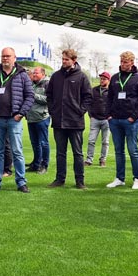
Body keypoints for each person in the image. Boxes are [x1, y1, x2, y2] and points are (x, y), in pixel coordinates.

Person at [0, 47, 34, 193]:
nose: (5, 58)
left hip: (14, 120)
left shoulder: (22, 75)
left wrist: (21, 113)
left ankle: (21, 182)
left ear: (14, 58)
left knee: (17, 151)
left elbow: (30, 96)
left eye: (8, 56)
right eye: (3, 56)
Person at [46, 49, 92, 189]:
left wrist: (80, 111)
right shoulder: (56, 76)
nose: (64, 61)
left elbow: (88, 97)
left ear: (74, 60)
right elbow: (49, 95)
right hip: (59, 121)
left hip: (75, 122)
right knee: (60, 153)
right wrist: (53, 110)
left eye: (67, 59)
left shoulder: (82, 77)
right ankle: (60, 179)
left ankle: (80, 181)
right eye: (63, 59)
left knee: (77, 153)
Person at [106, 51, 138, 190]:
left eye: (126, 62)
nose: (123, 64)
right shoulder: (114, 78)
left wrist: (134, 116)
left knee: (133, 150)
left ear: (132, 62)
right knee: (119, 151)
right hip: (115, 120)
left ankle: (137, 178)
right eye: (121, 62)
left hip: (131, 120)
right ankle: (119, 178)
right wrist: (109, 114)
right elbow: (109, 98)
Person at [27, 66, 50, 174]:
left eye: (36, 73)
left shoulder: (47, 84)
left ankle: (44, 165)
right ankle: (36, 164)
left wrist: (33, 95)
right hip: (31, 118)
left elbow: (49, 99)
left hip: (42, 118)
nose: (34, 75)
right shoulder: (31, 84)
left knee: (43, 143)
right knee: (34, 143)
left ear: (43, 74)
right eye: (33, 73)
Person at [85, 71, 111, 168]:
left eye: (104, 79)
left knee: (105, 141)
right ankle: (89, 160)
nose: (102, 80)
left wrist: (111, 116)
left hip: (107, 120)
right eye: (101, 78)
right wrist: (90, 115)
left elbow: (114, 104)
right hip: (95, 119)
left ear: (108, 80)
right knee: (91, 140)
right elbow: (88, 103)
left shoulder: (112, 91)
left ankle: (103, 159)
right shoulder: (94, 90)